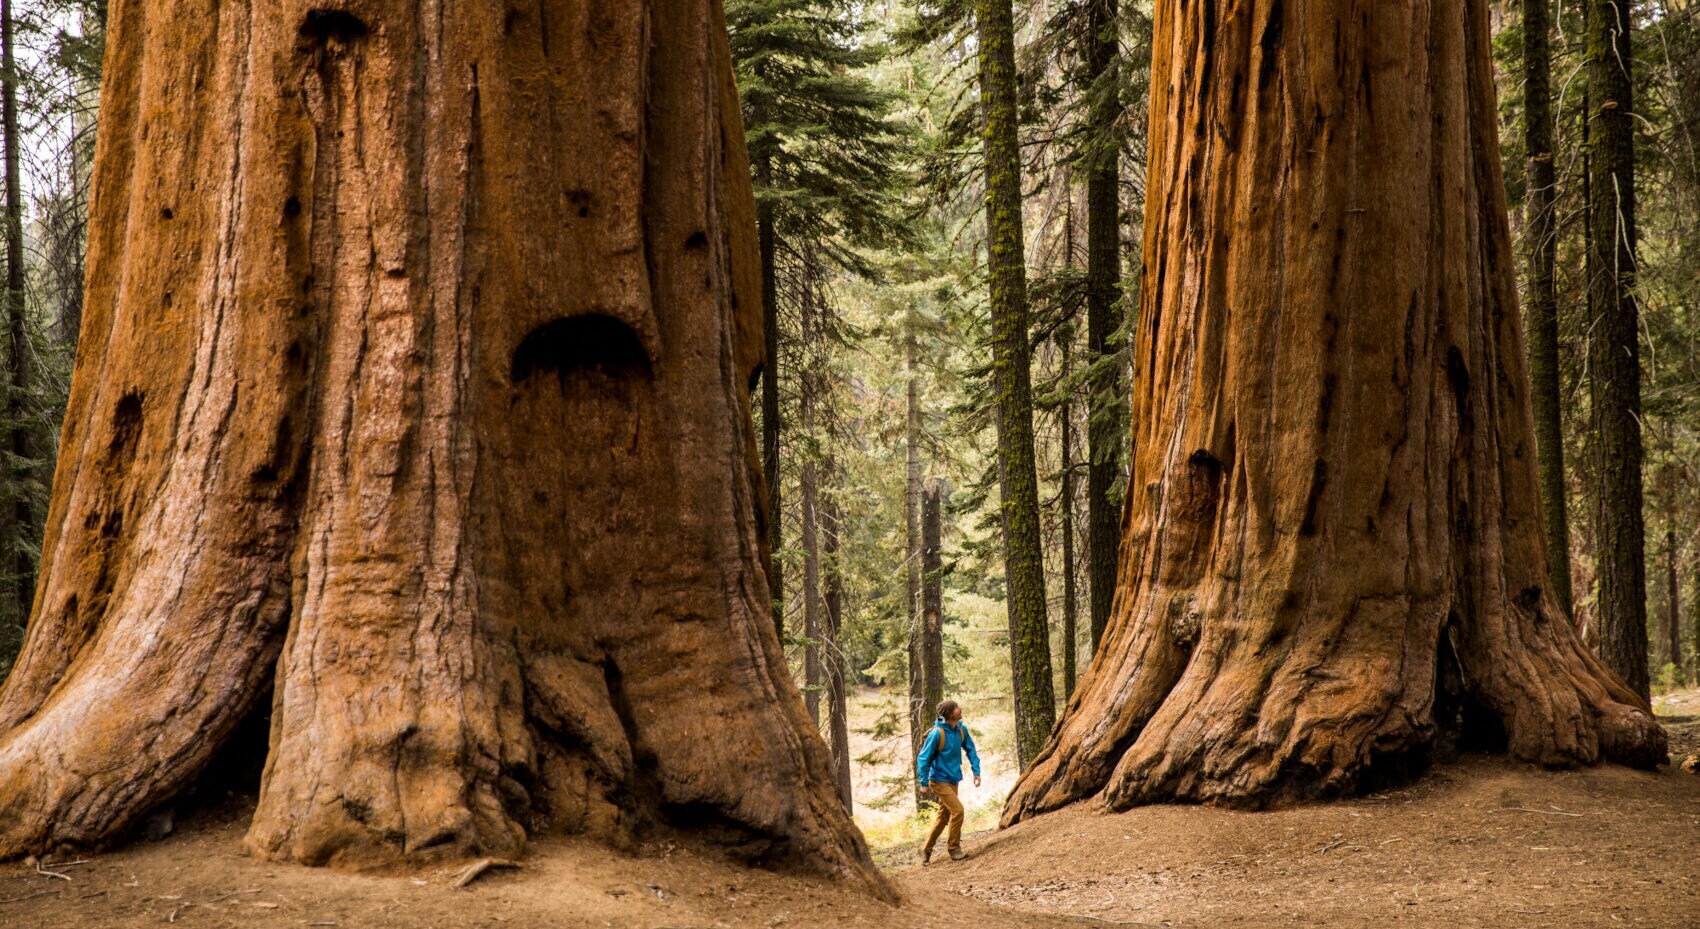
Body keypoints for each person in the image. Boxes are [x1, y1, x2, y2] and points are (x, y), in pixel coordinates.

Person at [915, 699, 981, 863]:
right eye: (956, 708)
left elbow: (971, 750)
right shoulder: (937, 733)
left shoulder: (961, 729)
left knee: (943, 817)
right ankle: (954, 849)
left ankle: (925, 849)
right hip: (938, 780)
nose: (959, 709)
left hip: (953, 779)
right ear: (950, 713)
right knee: (958, 810)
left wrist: (976, 771)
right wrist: (923, 783)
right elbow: (923, 759)